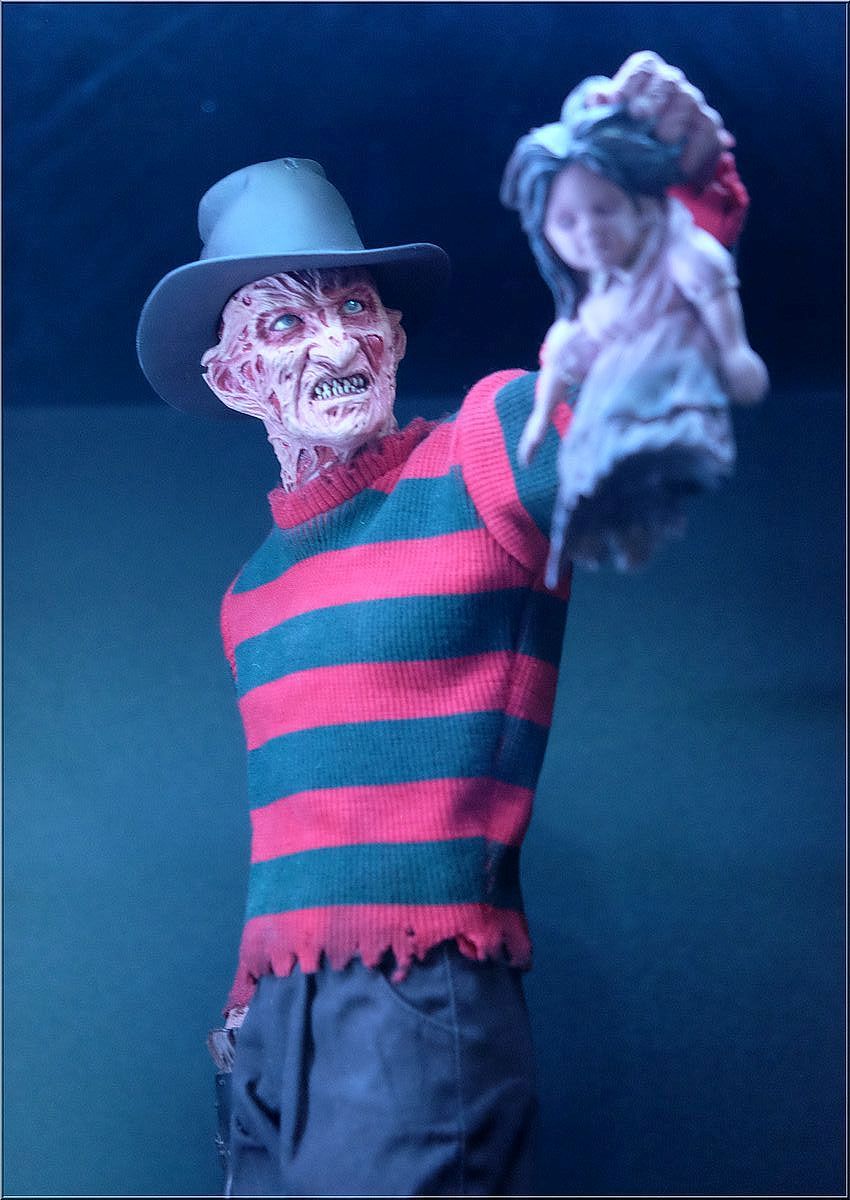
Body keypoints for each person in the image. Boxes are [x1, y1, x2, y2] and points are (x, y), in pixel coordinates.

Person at [136, 53, 752, 1197]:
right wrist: (246, 1008)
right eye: (286, 322)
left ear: (395, 334)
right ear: (231, 379)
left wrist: (680, 233)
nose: (334, 345)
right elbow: (294, 834)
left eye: (353, 309)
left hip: (414, 1004)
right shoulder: (250, 595)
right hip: (272, 1030)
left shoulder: (477, 458)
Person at [502, 70, 768, 582]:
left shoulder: (676, 253)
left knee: (652, 445)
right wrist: (539, 420)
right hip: (612, 398)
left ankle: (648, 491)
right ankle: (611, 523)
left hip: (671, 375)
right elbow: (566, 353)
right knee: (593, 465)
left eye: (603, 210)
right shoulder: (597, 298)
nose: (588, 232)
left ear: (641, 206)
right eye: (566, 223)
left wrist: (735, 351)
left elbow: (710, 277)